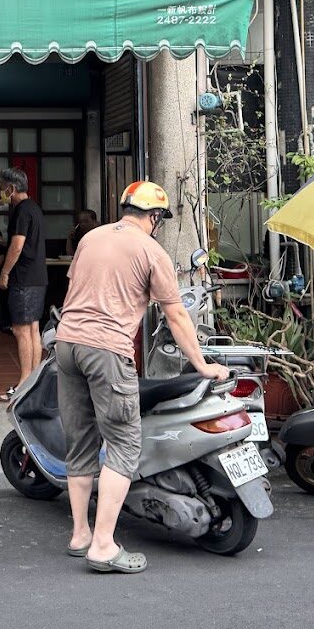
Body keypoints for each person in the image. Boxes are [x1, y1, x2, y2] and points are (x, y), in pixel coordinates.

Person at [54, 182, 228, 574]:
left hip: (67, 344)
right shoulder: (151, 251)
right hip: (106, 349)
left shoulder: (91, 238)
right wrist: (203, 365)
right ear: (154, 217)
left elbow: (75, 289)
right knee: (123, 444)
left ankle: (80, 535)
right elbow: (176, 315)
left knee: (80, 442)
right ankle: (103, 546)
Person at [0, 168, 46, 401]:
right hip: (37, 277)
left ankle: (24, 384)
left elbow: (17, 246)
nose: (1, 193)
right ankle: (33, 381)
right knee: (33, 329)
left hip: (24, 278)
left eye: (2, 188)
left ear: (11, 188)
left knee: (21, 330)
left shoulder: (21, 211)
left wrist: (4, 273)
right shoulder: (34, 208)